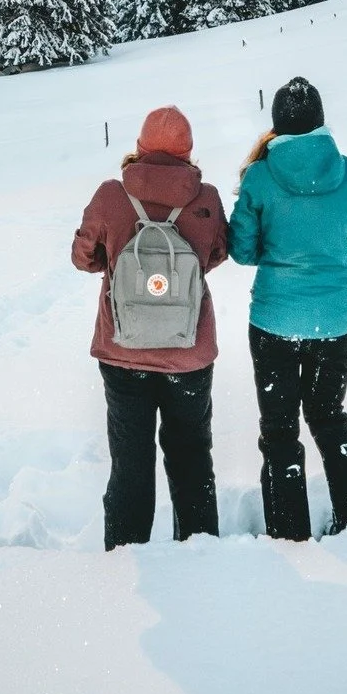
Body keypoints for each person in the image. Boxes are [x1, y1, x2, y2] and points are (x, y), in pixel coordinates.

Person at [229, 76, 347, 540]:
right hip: (334, 320)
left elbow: (242, 251)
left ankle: (288, 533)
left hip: (274, 321)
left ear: (277, 126)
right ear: (320, 122)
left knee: (279, 430)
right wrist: (327, 249)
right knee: (330, 416)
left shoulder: (259, 177)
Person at [72, 105, 228, 550]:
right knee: (192, 458)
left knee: (130, 463)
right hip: (188, 351)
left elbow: (82, 256)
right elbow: (217, 253)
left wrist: (117, 264)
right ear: (188, 152)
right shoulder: (206, 199)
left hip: (124, 352)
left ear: (140, 147)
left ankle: (125, 555)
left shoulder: (111, 195)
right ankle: (201, 553)